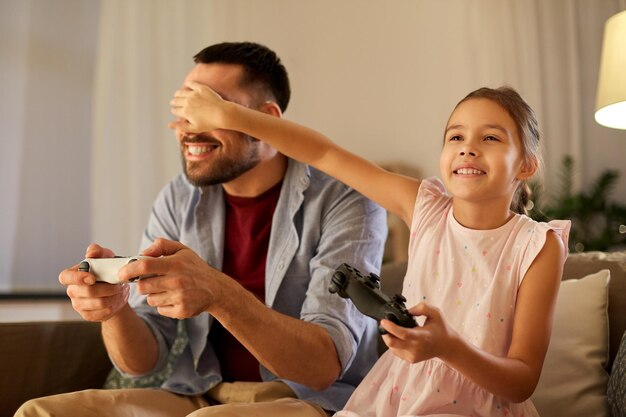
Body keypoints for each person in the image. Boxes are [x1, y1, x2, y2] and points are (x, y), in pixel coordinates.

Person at [15, 42, 387, 417]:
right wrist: (115, 310)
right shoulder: (179, 197)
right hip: (198, 391)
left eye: (207, 108)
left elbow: (322, 367)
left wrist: (220, 294)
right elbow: (145, 361)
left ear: (266, 121)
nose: (186, 127)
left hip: (308, 399)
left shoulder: (348, 201)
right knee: (40, 412)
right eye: (183, 108)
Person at [169, 83, 571, 416]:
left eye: (490, 137)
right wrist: (231, 117)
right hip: (395, 399)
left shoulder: (537, 245)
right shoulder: (425, 207)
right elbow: (324, 153)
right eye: (456, 137)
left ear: (526, 166)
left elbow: (521, 380)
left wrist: (448, 348)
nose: (468, 148)